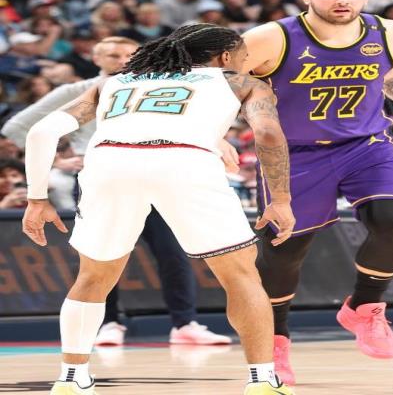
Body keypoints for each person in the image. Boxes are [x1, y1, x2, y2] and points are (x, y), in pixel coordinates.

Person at [22, 24, 295, 395]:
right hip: (185, 163)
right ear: (225, 57)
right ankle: (263, 380)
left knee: (92, 277)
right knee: (241, 275)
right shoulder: (240, 82)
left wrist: (37, 198)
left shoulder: (114, 82)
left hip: (110, 163)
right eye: (244, 56)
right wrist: (280, 199)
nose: (247, 63)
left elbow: (40, 132)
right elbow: (268, 134)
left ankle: (71, 378)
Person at [242, 0, 393, 384]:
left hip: (366, 143)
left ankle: (364, 307)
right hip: (294, 153)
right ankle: (275, 341)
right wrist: (219, 132)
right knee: (284, 252)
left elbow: (389, 73)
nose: (342, 1)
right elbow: (219, 79)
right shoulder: (269, 38)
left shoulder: (389, 31)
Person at [2, 36, 233, 347]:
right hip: (101, 175)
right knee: (98, 257)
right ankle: (108, 323)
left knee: (172, 252)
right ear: (96, 58)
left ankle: (184, 323)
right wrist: (59, 160)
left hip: (159, 171)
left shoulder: (151, 85)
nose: (123, 60)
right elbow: (19, 128)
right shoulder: (78, 90)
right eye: (113, 55)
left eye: (129, 54)